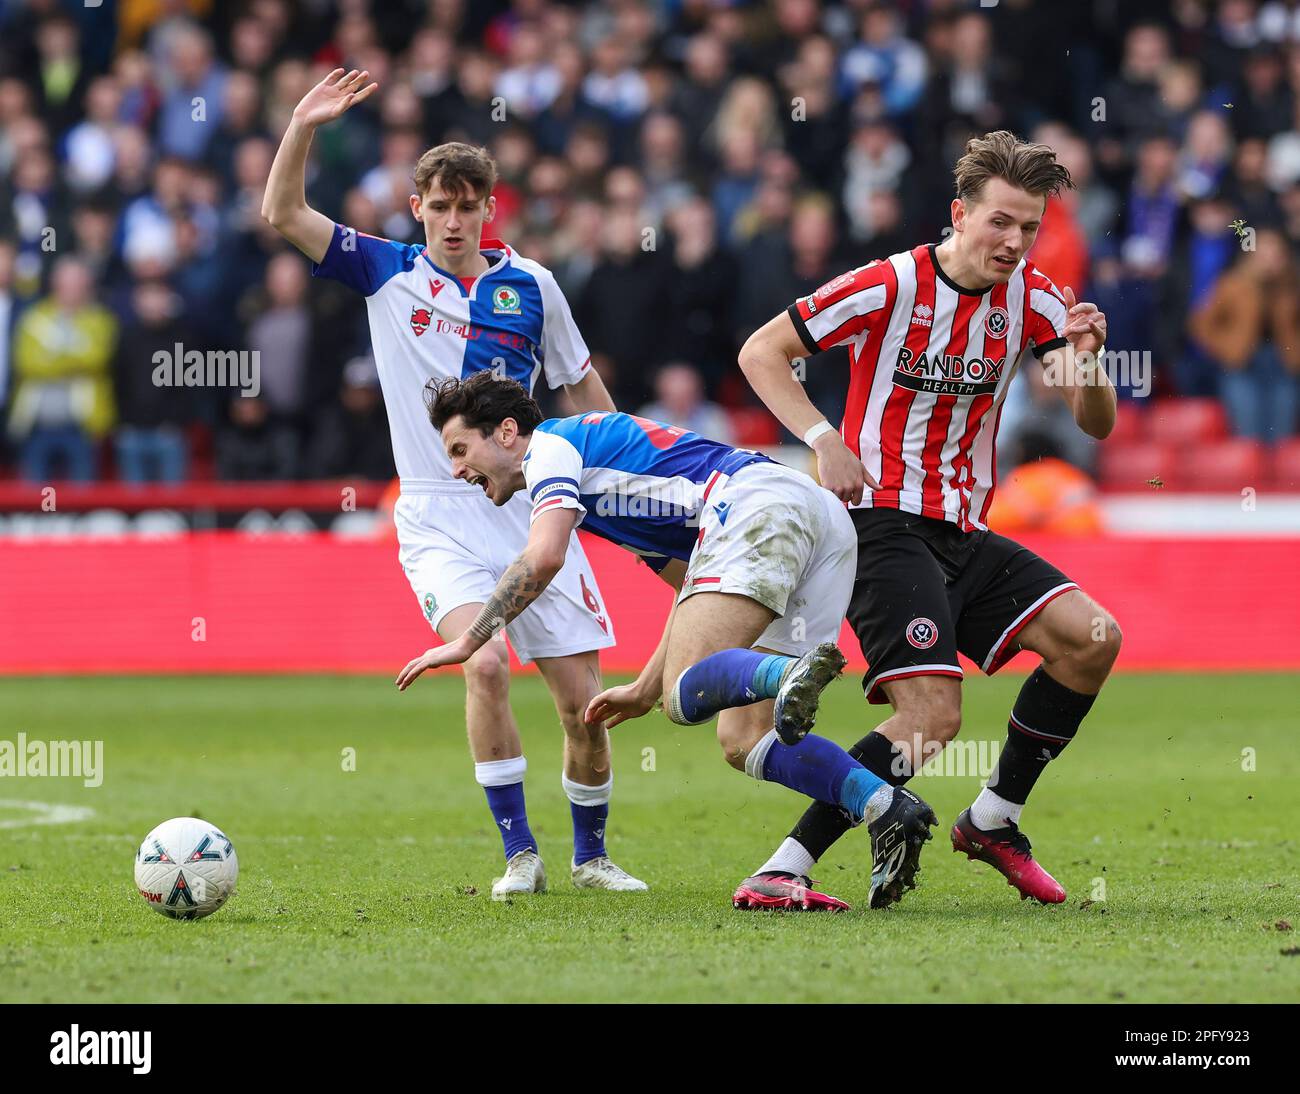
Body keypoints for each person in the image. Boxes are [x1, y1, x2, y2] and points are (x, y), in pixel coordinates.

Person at [262, 68, 644, 899]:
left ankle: (591, 857)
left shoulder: (534, 286)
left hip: (535, 502)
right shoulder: (384, 272)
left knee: (585, 702)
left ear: (489, 209)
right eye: (439, 205)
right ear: (417, 208)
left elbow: (581, 390)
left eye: (469, 204)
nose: (454, 219)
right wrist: (303, 125)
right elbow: (282, 214)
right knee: (485, 665)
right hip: (437, 515)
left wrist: (623, 479)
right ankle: (520, 855)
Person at [733, 130, 1122, 910]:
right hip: (881, 524)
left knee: (1092, 640)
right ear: (960, 214)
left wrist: (1089, 358)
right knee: (932, 716)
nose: (1014, 241)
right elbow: (760, 352)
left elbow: (1096, 424)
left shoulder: (1037, 300)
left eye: (1029, 227)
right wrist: (822, 439)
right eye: (1000, 222)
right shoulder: (889, 284)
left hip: (965, 530)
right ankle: (783, 867)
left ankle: (992, 821)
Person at [398, 373, 939, 911]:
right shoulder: (616, 490)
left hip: (755, 505)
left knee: (686, 696)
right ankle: (884, 805)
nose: (456, 469)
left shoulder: (550, 450)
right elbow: (690, 595)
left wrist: (469, 639)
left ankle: (781, 675)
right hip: (815, 518)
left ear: (508, 432)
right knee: (743, 739)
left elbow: (542, 557)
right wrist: (643, 688)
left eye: (461, 449)